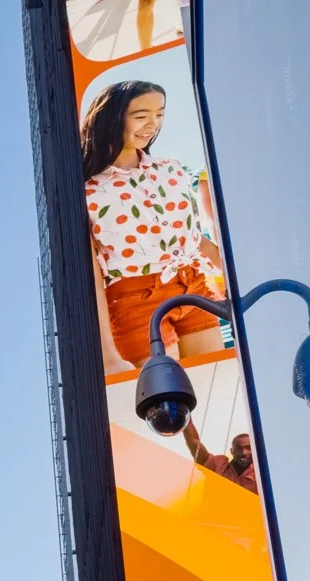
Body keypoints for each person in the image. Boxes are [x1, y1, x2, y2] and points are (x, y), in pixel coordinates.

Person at [80, 80, 226, 374]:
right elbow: (92, 274)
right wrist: (107, 353)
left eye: (159, 114)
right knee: (166, 402)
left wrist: (240, 282)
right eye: (140, 115)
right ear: (112, 116)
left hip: (192, 285)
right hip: (133, 300)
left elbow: (195, 239)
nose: (152, 124)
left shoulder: (169, 168)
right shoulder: (86, 189)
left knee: (214, 377)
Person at [180, 420, 256, 494]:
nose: (243, 452)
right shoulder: (217, 466)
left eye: (249, 448)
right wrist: (185, 413)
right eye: (238, 449)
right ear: (232, 451)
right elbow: (193, 442)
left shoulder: (260, 475)